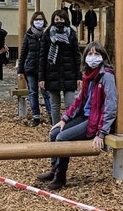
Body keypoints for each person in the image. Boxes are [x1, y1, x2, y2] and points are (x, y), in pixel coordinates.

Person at [37, 41, 117, 190]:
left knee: (61, 139)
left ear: (103, 57)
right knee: (54, 133)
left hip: (95, 120)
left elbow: (110, 107)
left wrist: (101, 133)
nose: (93, 57)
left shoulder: (106, 76)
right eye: (90, 54)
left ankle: (60, 177)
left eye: (97, 54)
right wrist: (64, 119)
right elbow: (79, 100)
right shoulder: (88, 75)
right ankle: (54, 170)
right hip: (85, 115)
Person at [39, 9, 81, 125]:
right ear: (53, 20)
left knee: (70, 104)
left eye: (61, 19)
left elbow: (76, 56)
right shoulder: (47, 35)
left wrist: (79, 76)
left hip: (69, 74)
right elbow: (42, 57)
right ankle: (55, 127)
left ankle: (68, 127)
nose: (59, 21)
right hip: (52, 74)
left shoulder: (71, 34)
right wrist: (41, 78)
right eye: (56, 19)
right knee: (54, 105)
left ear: (66, 20)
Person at [18, 11, 52, 126]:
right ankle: (36, 117)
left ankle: (52, 115)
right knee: (33, 93)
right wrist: (20, 71)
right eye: (36, 19)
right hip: (30, 68)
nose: (39, 21)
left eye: (40, 19)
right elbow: (23, 53)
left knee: (46, 93)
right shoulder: (28, 36)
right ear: (33, 21)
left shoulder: (47, 35)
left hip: (44, 69)